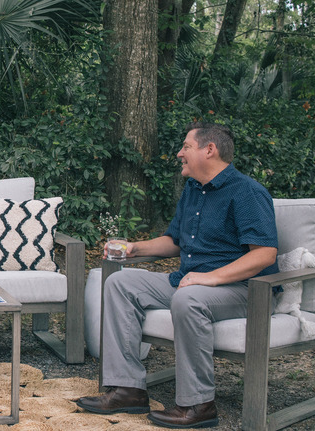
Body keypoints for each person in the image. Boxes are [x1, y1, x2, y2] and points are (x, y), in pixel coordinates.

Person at [77, 122, 278, 428]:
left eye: (186, 146)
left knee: (188, 297)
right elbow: (174, 241)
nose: (179, 153)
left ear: (209, 149)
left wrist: (209, 278)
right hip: (190, 281)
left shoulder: (247, 191)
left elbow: (264, 254)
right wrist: (134, 247)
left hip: (244, 289)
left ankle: (199, 405)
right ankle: (128, 388)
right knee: (120, 282)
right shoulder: (193, 189)